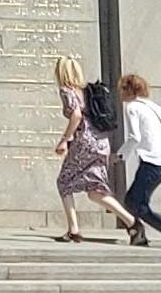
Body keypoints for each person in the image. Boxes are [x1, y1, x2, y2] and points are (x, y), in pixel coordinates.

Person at [53, 57, 129, 241]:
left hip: (84, 143)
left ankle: (73, 230)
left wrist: (64, 140)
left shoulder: (67, 90)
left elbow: (76, 115)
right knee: (95, 190)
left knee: (64, 182)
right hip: (101, 143)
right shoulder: (87, 91)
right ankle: (132, 222)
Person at [115, 74, 161, 255]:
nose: (120, 93)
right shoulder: (155, 107)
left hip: (152, 162)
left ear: (128, 90)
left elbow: (134, 137)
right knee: (136, 201)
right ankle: (139, 235)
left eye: (122, 89)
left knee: (134, 203)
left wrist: (120, 156)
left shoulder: (132, 107)